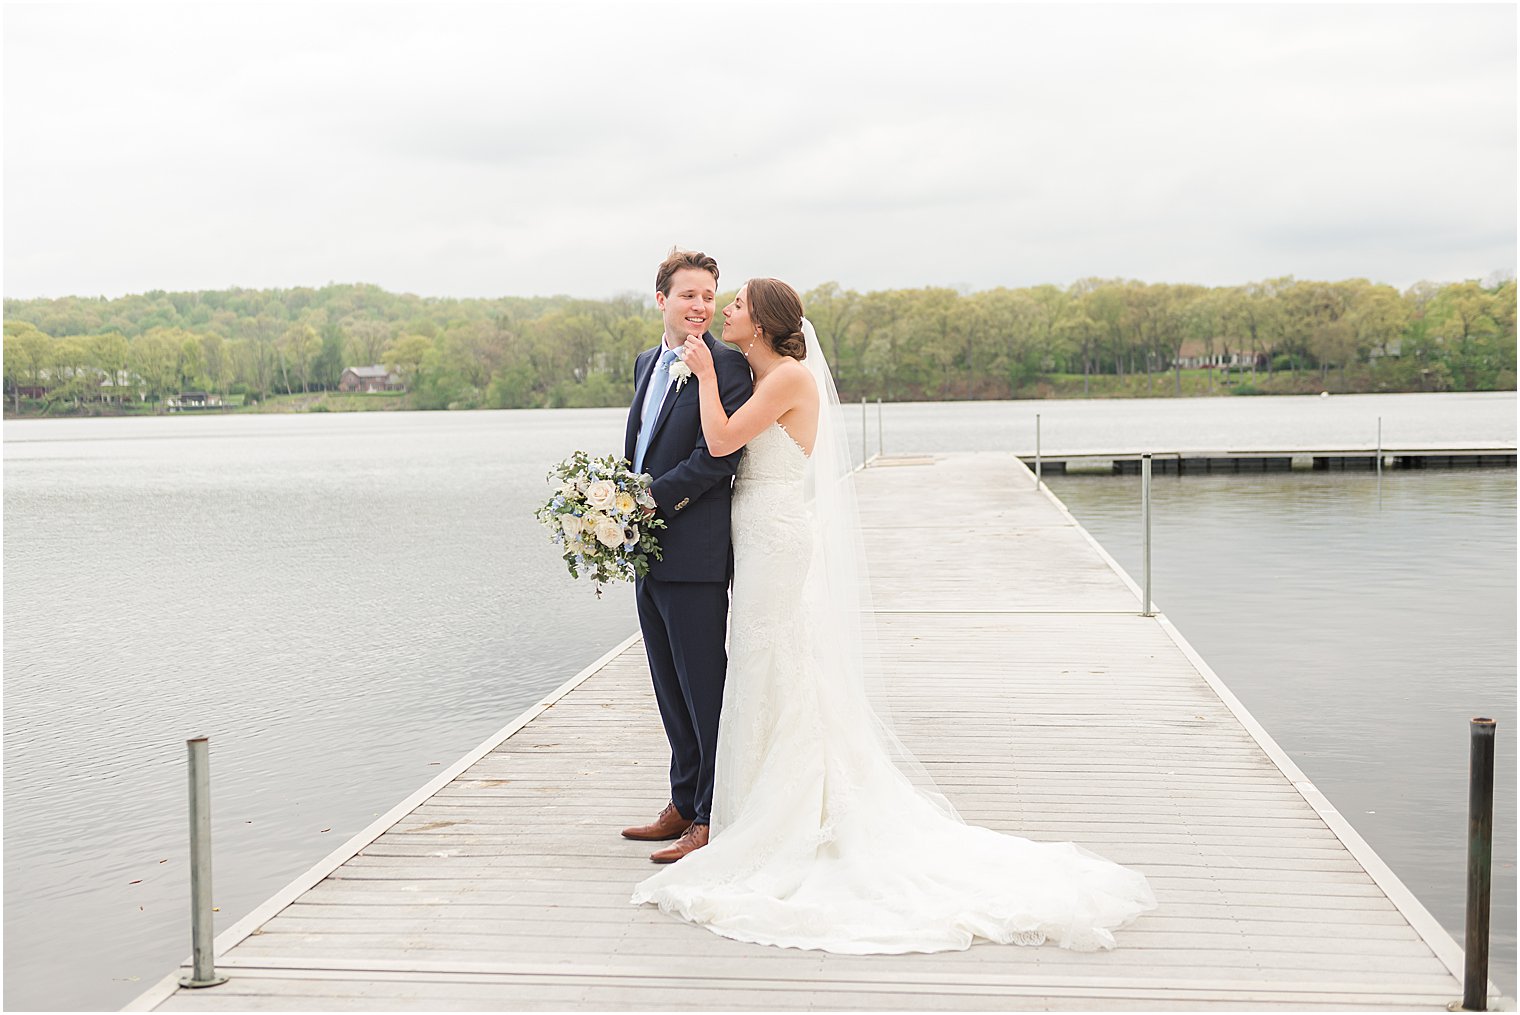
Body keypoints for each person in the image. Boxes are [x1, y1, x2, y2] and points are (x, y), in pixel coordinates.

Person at [631, 278, 1157, 953]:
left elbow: (724, 439)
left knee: (770, 656)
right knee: (770, 662)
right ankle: (737, 803)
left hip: (775, 531)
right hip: (757, 531)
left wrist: (703, 373)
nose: (723, 309)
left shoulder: (786, 377)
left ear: (758, 324)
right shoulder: (762, 370)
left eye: (733, 304)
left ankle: (749, 813)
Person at [620, 249, 753, 864]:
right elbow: (643, 447)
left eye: (709, 296)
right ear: (661, 301)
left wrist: (650, 499)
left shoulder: (728, 367)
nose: (701, 307)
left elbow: (716, 457)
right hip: (647, 552)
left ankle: (708, 814)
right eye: (689, 296)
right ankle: (680, 799)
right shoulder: (648, 361)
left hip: (696, 551)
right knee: (666, 683)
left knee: (705, 686)